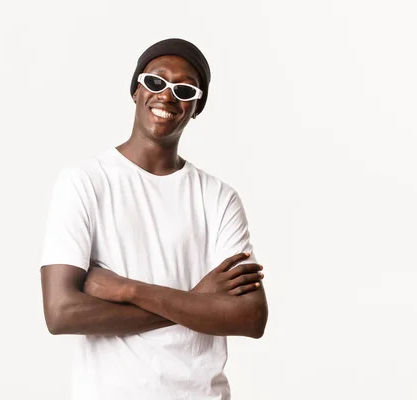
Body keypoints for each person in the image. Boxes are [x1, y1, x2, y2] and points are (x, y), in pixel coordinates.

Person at [40, 38, 268, 400]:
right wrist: (197, 300)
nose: (166, 95)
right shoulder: (84, 182)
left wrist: (129, 290)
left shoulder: (218, 198)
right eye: (156, 82)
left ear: (196, 107)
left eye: (184, 89)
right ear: (135, 90)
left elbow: (250, 318)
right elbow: (61, 312)